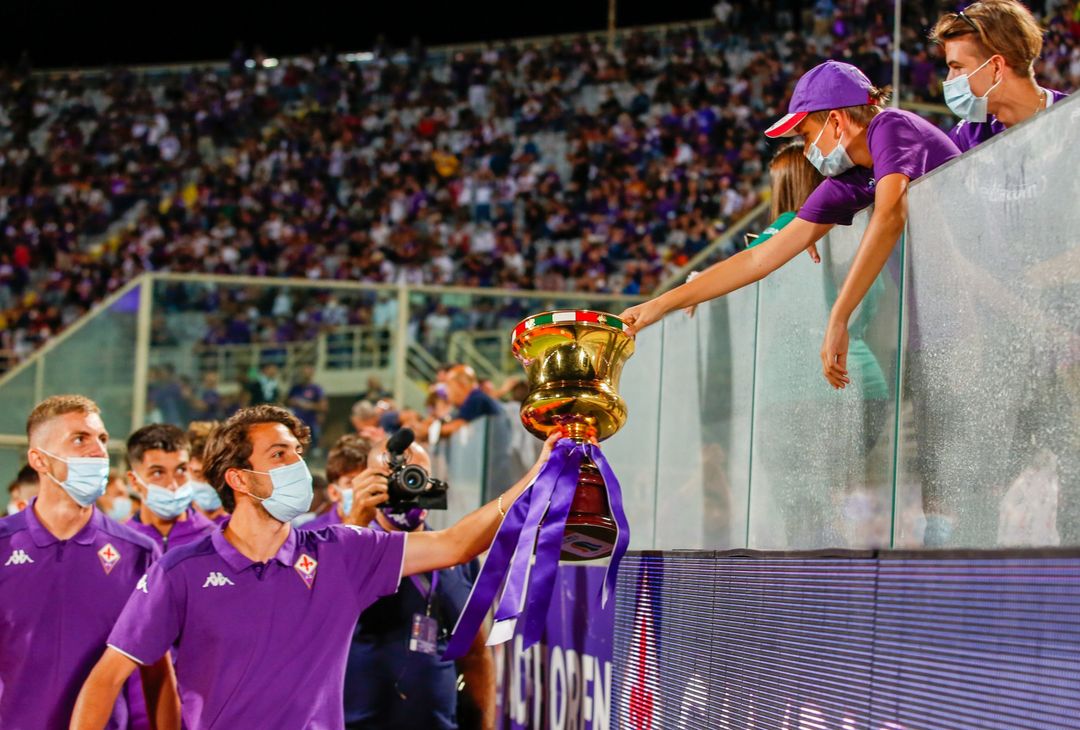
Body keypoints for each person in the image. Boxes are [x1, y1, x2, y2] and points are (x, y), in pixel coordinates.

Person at [71, 405, 560, 729]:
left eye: (298, 454)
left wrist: (538, 475)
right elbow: (108, 676)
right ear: (240, 478)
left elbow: (456, 543)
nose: (297, 466)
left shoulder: (341, 551)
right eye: (279, 454)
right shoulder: (179, 570)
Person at [620, 60, 961, 389]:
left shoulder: (889, 126)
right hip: (940, 312)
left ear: (837, 121)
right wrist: (657, 306)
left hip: (972, 300)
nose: (807, 149)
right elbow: (758, 259)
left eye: (807, 135)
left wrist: (839, 316)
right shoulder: (851, 179)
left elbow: (889, 216)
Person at [0, 395, 176, 729]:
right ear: (39, 459)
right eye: (80, 439)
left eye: (102, 439)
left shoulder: (138, 552)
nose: (98, 451)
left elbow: (158, 675)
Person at [343, 437, 495, 729]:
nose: (405, 485)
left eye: (416, 474)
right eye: (391, 478)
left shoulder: (458, 556)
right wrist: (355, 521)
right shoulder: (348, 551)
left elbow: (476, 655)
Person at [931, 0, 1068, 152]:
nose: (949, 79)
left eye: (957, 67)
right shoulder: (966, 137)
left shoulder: (1072, 118)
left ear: (996, 67)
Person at [124, 424, 216, 553]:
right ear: (134, 481)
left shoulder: (214, 541)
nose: (173, 485)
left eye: (180, 470)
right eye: (158, 473)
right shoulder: (120, 543)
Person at [303, 433, 384, 530]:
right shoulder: (311, 534)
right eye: (350, 483)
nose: (360, 488)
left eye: (367, 480)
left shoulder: (387, 528)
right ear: (333, 493)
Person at [186, 421, 227, 524]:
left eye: (213, 475)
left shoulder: (239, 521)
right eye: (198, 474)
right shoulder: (173, 520)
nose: (207, 483)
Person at [287, 364, 328, 450]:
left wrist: (308, 405)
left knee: (314, 446)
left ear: (312, 373)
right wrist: (293, 402)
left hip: (311, 422)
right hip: (297, 423)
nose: (305, 375)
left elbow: (323, 407)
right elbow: (287, 401)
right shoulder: (295, 388)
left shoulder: (317, 389)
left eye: (307, 373)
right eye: (303, 373)